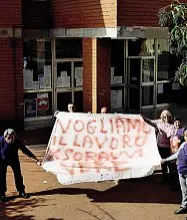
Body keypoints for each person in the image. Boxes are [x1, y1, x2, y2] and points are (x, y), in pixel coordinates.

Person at [0, 128, 41, 202]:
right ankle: (2, 194)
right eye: (9, 137)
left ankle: (21, 191)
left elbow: (26, 151)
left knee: (18, 175)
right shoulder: (1, 140)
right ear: (5, 137)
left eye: (13, 137)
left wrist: (36, 160)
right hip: (2, 161)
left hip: (14, 160)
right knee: (1, 176)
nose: (11, 139)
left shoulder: (17, 142)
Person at [141, 110, 176, 183]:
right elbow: (150, 122)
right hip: (160, 147)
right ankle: (164, 178)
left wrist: (168, 135)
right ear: (162, 117)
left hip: (168, 148)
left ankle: (172, 179)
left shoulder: (172, 125)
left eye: (168, 117)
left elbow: (173, 136)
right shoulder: (159, 123)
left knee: (170, 163)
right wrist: (142, 117)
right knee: (163, 163)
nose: (166, 118)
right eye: (165, 117)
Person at [162, 129, 187, 214]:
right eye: (186, 136)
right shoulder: (183, 144)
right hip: (181, 172)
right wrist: (165, 159)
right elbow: (176, 155)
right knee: (184, 191)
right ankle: (184, 207)